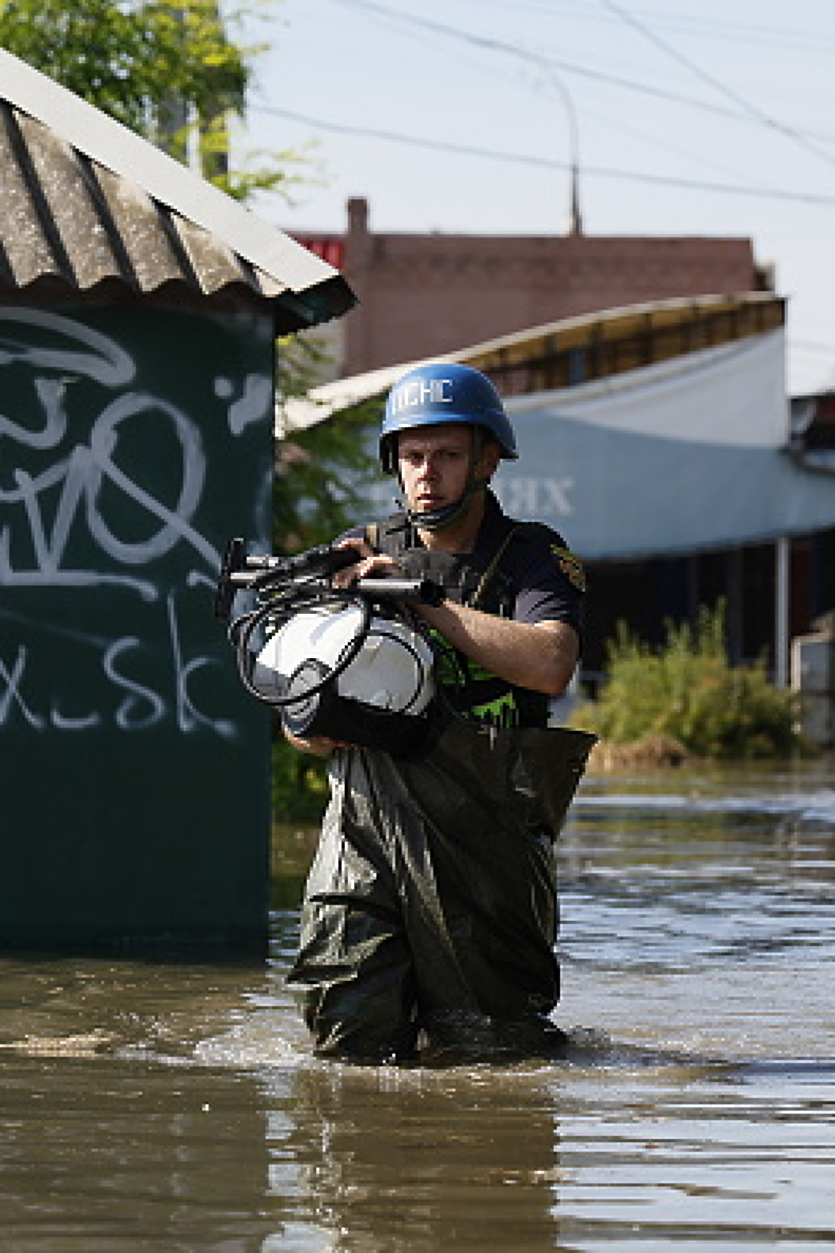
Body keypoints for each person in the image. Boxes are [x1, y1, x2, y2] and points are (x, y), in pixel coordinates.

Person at [283, 361, 594, 1063]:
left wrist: (421, 599)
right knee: (343, 1024)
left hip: (486, 835)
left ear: (487, 460)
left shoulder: (533, 557)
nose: (428, 473)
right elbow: (300, 727)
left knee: (488, 1045)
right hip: (364, 823)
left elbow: (550, 662)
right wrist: (312, 718)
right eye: (413, 455)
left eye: (448, 455)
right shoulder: (360, 554)